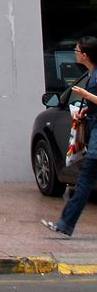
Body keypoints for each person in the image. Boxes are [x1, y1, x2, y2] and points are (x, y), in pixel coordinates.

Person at [43, 36, 97, 238]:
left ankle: (65, 223)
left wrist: (86, 95)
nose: (75, 53)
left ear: (85, 55)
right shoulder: (91, 74)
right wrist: (87, 110)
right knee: (84, 181)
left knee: (85, 180)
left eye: (77, 50)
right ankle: (65, 223)